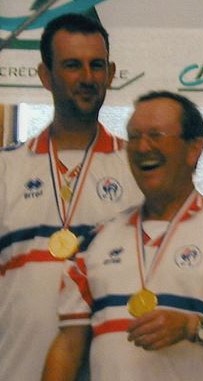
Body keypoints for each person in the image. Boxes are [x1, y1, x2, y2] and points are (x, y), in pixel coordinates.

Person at [42, 90, 203, 381]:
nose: (142, 147)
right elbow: (68, 346)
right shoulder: (97, 240)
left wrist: (192, 327)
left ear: (194, 149)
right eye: (135, 136)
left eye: (156, 135)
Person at [0, 13, 142, 381]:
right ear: (45, 76)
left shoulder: (139, 168)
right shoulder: (6, 169)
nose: (87, 78)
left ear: (111, 73)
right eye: (72, 66)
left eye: (97, 66)